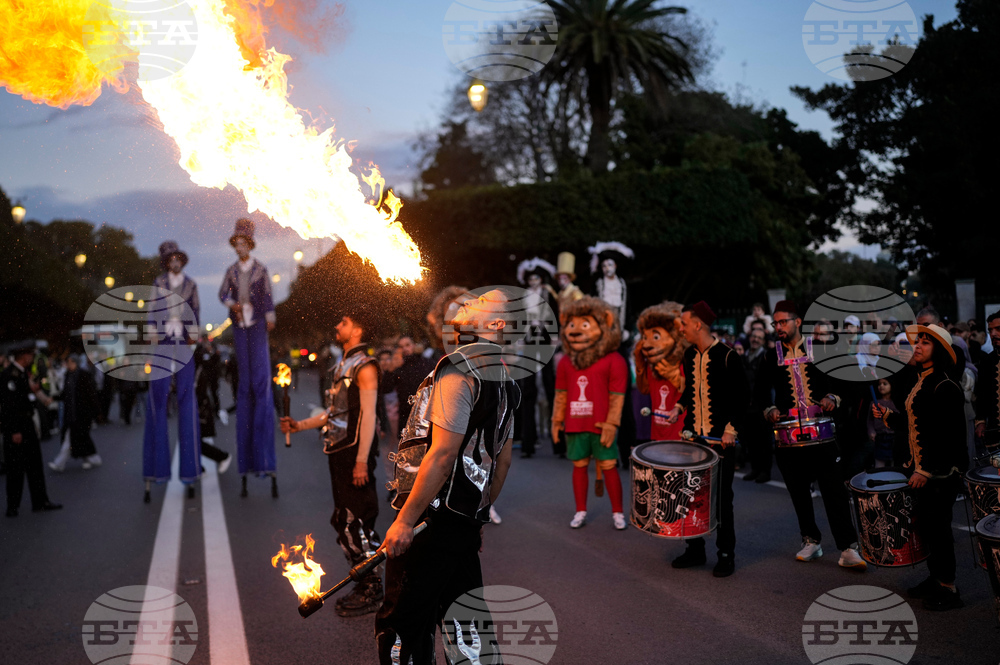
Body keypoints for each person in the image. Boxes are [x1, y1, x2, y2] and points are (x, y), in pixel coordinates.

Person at [376, 289, 518, 664]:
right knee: (466, 623)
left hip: (431, 521)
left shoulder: (460, 369)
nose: (466, 304)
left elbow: (442, 455)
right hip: (462, 524)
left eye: (478, 303)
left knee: (401, 625)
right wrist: (477, 515)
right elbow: (501, 463)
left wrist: (406, 520)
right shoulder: (507, 381)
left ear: (496, 323)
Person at [282, 312, 382, 617]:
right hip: (339, 451)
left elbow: (368, 417)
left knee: (354, 520)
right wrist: (299, 425)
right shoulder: (344, 364)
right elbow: (333, 413)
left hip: (354, 453)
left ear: (358, 328)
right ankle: (366, 580)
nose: (336, 326)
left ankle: (372, 585)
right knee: (344, 520)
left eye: (343, 323)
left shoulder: (365, 367)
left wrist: (362, 461)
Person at [756, 301, 866, 570]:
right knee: (798, 491)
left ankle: (848, 548)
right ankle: (811, 541)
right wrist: (769, 409)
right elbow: (759, 391)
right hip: (788, 437)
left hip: (823, 434)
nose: (778, 327)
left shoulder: (823, 349)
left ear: (798, 322)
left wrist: (833, 396)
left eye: (783, 322)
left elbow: (848, 381)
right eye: (775, 323)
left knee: (833, 490)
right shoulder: (771, 356)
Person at [873, 324, 968, 610]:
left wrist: (924, 470)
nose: (917, 346)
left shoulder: (945, 385)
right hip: (921, 470)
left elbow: (946, 436)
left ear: (937, 351)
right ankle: (935, 579)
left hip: (940, 474)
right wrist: (890, 417)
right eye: (918, 341)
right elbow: (916, 424)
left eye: (926, 343)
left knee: (939, 530)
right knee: (926, 527)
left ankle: (950, 589)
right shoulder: (920, 379)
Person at [664, 301, 750, 577]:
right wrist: (678, 407)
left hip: (720, 441)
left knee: (722, 500)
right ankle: (695, 548)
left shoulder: (728, 356)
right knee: (690, 496)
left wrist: (731, 429)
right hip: (693, 439)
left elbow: (742, 398)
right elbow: (690, 391)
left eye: (684, 324)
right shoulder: (689, 355)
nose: (682, 329)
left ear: (698, 324)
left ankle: (726, 554)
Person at [551, 296, 629, 530]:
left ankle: (618, 512)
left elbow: (617, 398)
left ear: (604, 324)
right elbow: (561, 394)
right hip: (575, 424)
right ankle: (580, 511)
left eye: (584, 324)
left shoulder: (614, 360)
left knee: (609, 467)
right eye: (572, 324)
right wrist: (556, 420)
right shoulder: (566, 361)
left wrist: (612, 424)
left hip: (601, 424)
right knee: (579, 466)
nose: (575, 331)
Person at [219, 219, 278, 498]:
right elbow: (223, 294)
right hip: (239, 326)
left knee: (260, 381)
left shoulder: (260, 269)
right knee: (245, 384)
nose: (239, 247)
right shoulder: (231, 271)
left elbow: (267, 296)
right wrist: (233, 304)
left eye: (243, 243)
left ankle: (265, 453)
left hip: (255, 325)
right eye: (236, 243)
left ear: (250, 245)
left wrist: (268, 315)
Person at [144, 241, 202, 502]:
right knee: (157, 397)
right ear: (166, 263)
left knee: (187, 400)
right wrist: (152, 331)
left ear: (182, 260)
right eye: (170, 259)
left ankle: (189, 472)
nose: (174, 262)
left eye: (177, 258)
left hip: (184, 343)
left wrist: (194, 333)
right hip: (164, 341)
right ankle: (155, 470)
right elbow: (152, 312)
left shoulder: (191, 285)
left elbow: (196, 311)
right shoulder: (158, 284)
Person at [2, 340, 62, 517]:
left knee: (35, 465)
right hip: (17, 428)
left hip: (27, 425)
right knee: (15, 469)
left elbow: (25, 396)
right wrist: (14, 431)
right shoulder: (9, 375)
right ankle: (12, 507)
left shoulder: (22, 374)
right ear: (24, 356)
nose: (32, 358)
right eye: (30, 355)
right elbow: (8, 406)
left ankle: (40, 501)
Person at [48, 354, 101, 472]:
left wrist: (95, 411)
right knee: (78, 438)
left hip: (81, 414)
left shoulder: (83, 375)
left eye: (70, 362)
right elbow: (65, 393)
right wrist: (54, 398)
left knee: (73, 438)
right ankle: (91, 459)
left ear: (75, 363)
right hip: (71, 414)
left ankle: (59, 463)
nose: (67, 365)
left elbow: (91, 395)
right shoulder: (69, 375)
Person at [741, 327, 772, 483]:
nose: (755, 339)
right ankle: (755, 469)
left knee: (764, 440)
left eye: (759, 337)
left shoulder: (766, 357)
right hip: (747, 406)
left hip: (762, 405)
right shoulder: (743, 356)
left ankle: (765, 471)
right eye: (754, 336)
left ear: (763, 341)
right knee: (751, 439)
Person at [975, 309, 1000, 451]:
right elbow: (982, 395)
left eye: (998, 329)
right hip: (995, 435)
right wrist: (980, 422)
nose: (994, 334)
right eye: (991, 330)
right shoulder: (987, 361)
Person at [868, 378, 897, 467]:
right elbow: (870, 420)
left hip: (894, 438)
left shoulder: (895, 403)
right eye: (879, 384)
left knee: (894, 464)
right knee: (879, 464)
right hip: (880, 437)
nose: (881, 386)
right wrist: (871, 431)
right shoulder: (874, 403)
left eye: (885, 384)